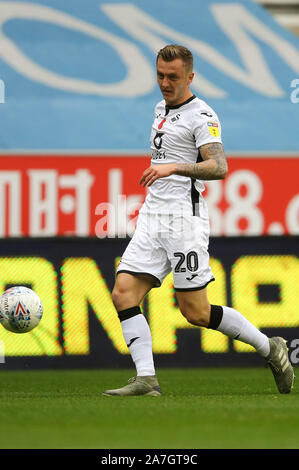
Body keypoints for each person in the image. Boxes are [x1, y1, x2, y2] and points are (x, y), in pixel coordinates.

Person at [102, 45, 294, 397]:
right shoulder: (161, 108)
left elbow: (219, 167)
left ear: (190, 76)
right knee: (123, 292)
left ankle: (271, 348)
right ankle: (146, 380)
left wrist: (174, 167)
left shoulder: (202, 115)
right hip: (152, 217)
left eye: (173, 77)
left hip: (183, 222)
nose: (164, 83)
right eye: (160, 75)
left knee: (196, 312)